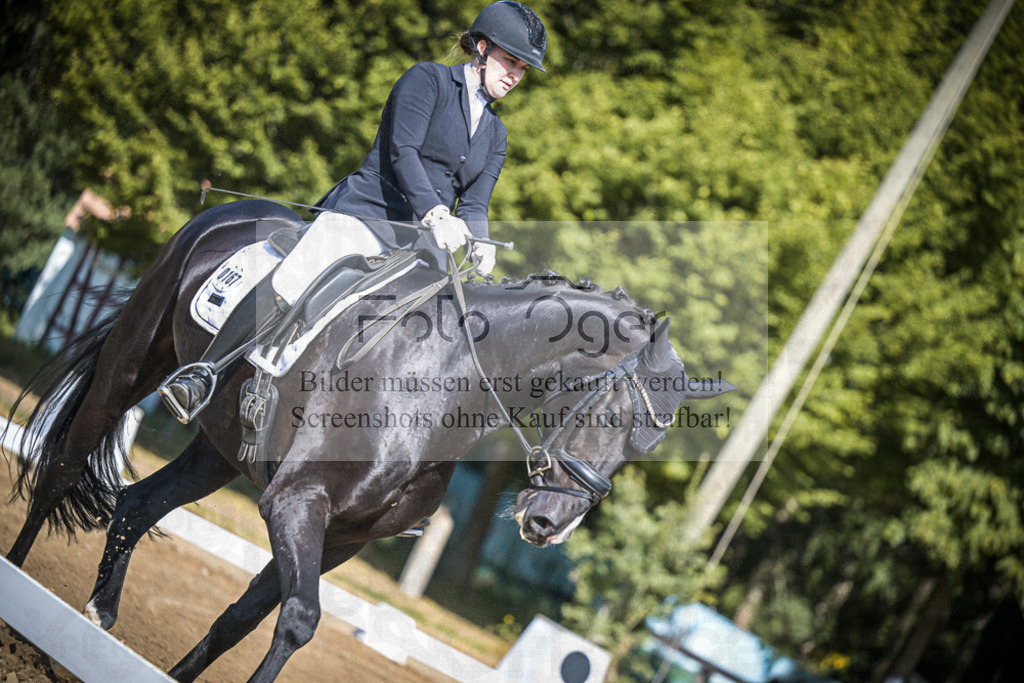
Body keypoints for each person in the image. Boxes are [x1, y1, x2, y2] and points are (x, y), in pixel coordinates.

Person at [158, 1, 547, 423]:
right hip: (369, 213)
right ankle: (202, 375)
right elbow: (403, 152)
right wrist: (435, 212)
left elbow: (474, 201)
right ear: (483, 48)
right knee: (299, 275)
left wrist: (479, 240)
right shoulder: (428, 80)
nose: (515, 76)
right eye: (511, 61)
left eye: (523, 69)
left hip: (424, 248)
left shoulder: (497, 134)